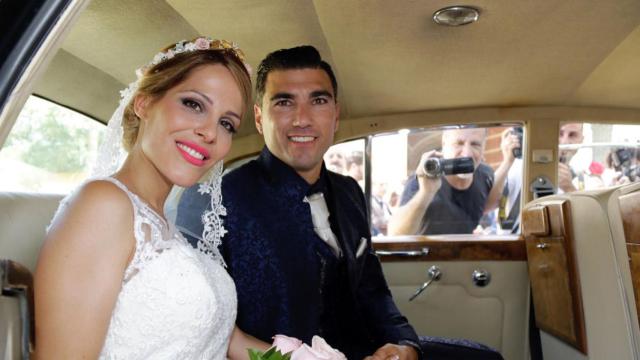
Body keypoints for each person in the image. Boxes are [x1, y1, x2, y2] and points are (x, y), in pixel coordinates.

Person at [177, 45, 422, 360]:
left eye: (318, 101)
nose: (303, 120)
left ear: (335, 115)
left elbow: (372, 291)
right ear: (258, 117)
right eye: (284, 103)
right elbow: (204, 327)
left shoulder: (350, 192)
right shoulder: (213, 201)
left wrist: (404, 346)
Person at [34, 37, 270, 359]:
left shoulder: (167, 227)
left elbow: (231, 341)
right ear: (143, 103)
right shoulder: (103, 206)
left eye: (226, 124)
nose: (211, 132)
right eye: (194, 104)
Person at [388, 128, 516, 235]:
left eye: (475, 144)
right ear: (444, 144)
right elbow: (396, 234)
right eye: (459, 143)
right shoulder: (424, 179)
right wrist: (426, 193)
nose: (467, 154)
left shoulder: (484, 174)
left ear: (483, 147)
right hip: (426, 260)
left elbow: (486, 204)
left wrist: (508, 161)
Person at [558, 122, 584, 193]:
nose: (564, 142)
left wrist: (569, 188)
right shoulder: (526, 170)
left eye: (572, 135)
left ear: (581, 140)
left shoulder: (587, 180)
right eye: (559, 133)